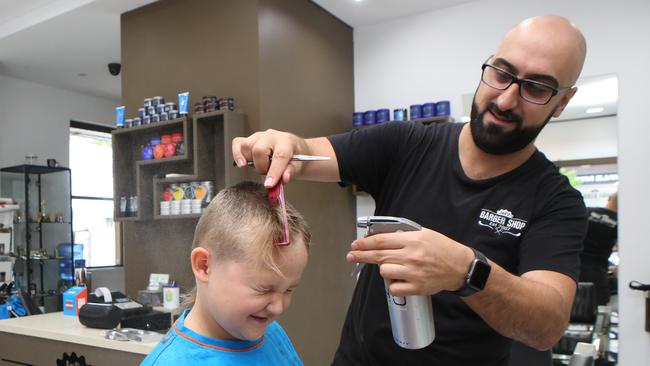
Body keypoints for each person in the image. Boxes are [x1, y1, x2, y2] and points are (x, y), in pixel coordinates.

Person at [232, 15, 588, 365]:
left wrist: (466, 271)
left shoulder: (557, 201)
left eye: (536, 88)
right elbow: (305, 154)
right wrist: (282, 145)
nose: (507, 100)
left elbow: (547, 326)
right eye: (501, 74)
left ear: (562, 102)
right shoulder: (407, 143)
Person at [141, 181, 311, 365]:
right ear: (204, 266)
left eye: (289, 290)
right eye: (263, 289)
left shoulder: (271, 334)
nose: (278, 307)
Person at [579, 192, 618, 306]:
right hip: (597, 273)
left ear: (609, 198)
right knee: (597, 309)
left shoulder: (587, 211)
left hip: (574, 269)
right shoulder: (620, 223)